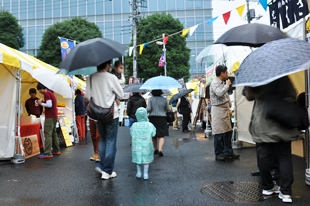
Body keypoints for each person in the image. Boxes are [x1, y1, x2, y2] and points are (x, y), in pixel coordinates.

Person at [245, 76, 299, 203]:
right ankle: (286, 192)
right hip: (283, 120)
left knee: (264, 155)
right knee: (284, 156)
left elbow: (249, 96)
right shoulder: (283, 76)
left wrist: (249, 86)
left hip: (264, 120)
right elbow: (293, 94)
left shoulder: (258, 76)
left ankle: (267, 187)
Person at [86, 60, 124, 180]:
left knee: (102, 139)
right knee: (111, 141)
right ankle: (107, 171)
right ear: (107, 65)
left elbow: (87, 96)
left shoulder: (90, 77)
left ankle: (103, 167)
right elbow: (121, 94)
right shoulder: (111, 77)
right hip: (111, 114)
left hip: (97, 114)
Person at [209, 65, 240, 161]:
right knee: (219, 133)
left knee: (227, 131)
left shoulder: (222, 82)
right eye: (226, 72)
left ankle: (228, 152)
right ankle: (218, 153)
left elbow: (225, 94)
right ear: (222, 73)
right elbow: (219, 93)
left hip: (225, 108)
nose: (227, 74)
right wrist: (227, 85)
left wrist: (229, 103)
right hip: (218, 110)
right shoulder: (214, 83)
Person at [130, 107, 156, 180]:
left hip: (137, 145)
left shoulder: (134, 125)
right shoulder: (150, 125)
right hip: (147, 145)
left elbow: (131, 133)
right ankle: (146, 174)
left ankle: (139, 173)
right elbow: (153, 133)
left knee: (138, 159)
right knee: (146, 160)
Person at [36, 83, 61, 159]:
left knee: (48, 134)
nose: (40, 92)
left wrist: (41, 103)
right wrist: (43, 102)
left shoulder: (47, 93)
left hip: (49, 117)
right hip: (54, 116)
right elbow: (51, 104)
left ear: (42, 88)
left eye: (39, 90)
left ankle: (47, 152)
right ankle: (56, 150)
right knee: (54, 133)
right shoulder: (51, 93)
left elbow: (49, 105)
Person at [147, 89, 169, 157]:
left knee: (153, 134)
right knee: (161, 135)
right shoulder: (164, 99)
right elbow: (167, 109)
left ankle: (155, 148)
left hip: (153, 117)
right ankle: (160, 150)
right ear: (161, 92)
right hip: (162, 117)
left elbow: (149, 109)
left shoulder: (150, 99)